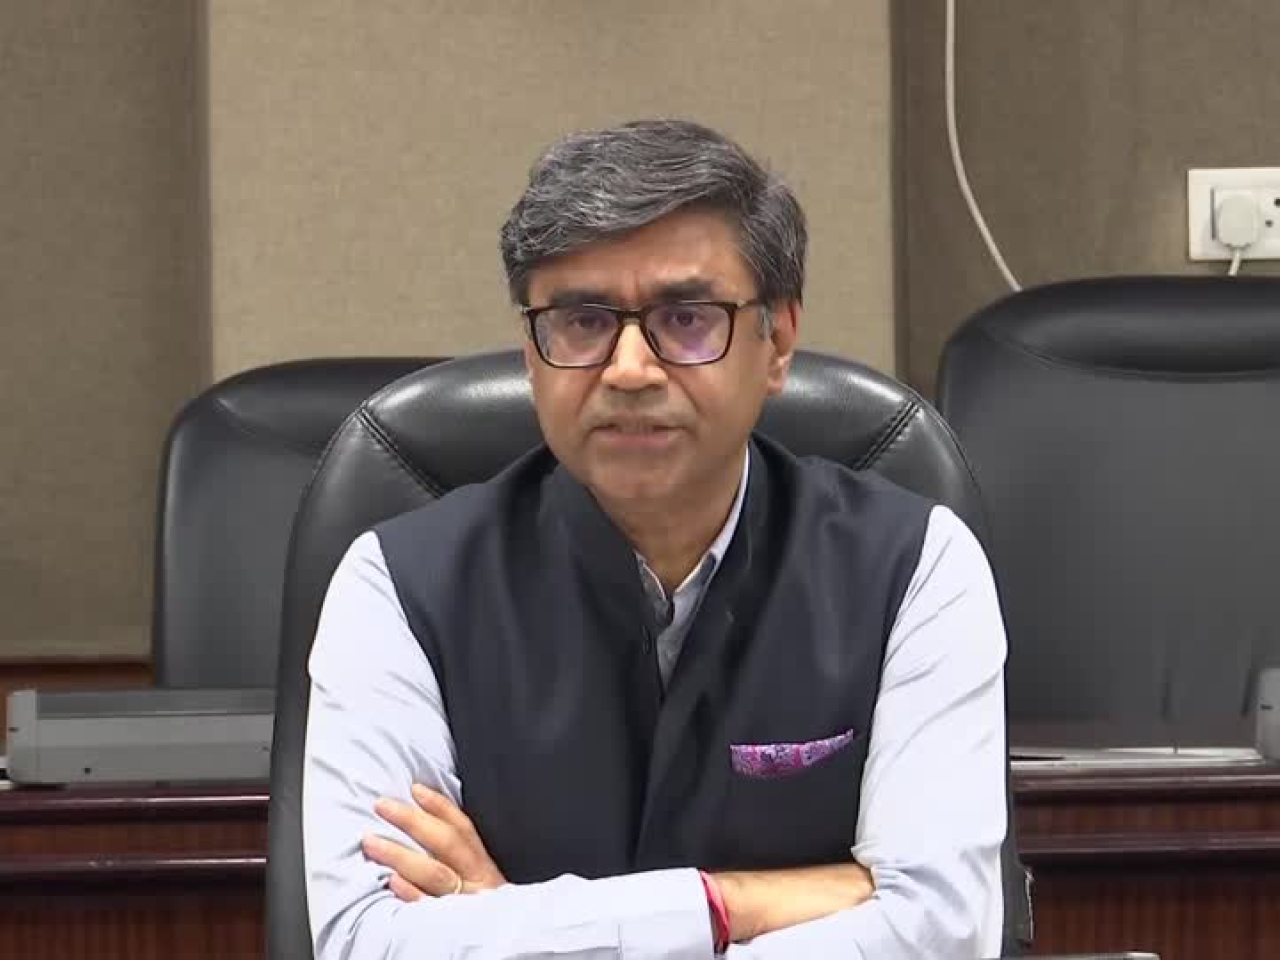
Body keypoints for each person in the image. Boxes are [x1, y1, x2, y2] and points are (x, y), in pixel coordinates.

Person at [302, 119, 1009, 959]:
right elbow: (365, 942)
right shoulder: (397, 586)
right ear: (530, 352)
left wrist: (510, 923)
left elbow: (945, 931)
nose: (630, 369)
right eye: (581, 320)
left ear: (777, 341)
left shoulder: (917, 567)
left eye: (686, 318)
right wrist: (725, 905)